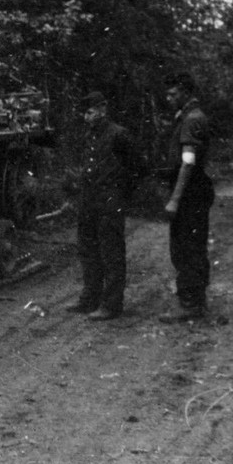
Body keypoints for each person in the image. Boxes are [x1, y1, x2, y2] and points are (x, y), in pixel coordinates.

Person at [67, 91, 144, 321]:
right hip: (89, 200)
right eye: (85, 113)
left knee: (111, 253)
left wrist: (121, 193)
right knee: (88, 251)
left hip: (110, 201)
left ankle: (111, 304)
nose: (86, 118)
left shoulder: (119, 135)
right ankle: (90, 298)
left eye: (90, 112)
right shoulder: (90, 135)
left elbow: (138, 167)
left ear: (103, 109)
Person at [160, 73, 214, 323]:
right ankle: (195, 300)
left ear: (184, 92)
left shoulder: (192, 119)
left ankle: (191, 304)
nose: (168, 98)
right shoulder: (189, 116)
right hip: (194, 191)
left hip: (190, 193)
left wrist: (174, 199)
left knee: (187, 248)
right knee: (191, 246)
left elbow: (188, 162)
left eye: (172, 93)